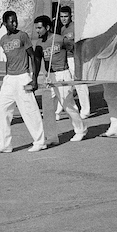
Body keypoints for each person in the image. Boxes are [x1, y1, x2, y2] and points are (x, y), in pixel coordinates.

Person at [0, 10, 47, 153]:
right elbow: (9, 60)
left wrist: (33, 79)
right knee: (1, 111)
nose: (15, 23)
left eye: (16, 20)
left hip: (23, 77)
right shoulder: (3, 40)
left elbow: (33, 57)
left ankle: (40, 141)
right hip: (9, 79)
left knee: (29, 111)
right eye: (11, 21)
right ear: (5, 23)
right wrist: (6, 77)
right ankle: (5, 144)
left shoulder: (22, 36)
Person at [34, 14, 86, 145]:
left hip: (62, 74)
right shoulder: (39, 44)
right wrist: (35, 78)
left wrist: (78, 71)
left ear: (47, 27)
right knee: (48, 108)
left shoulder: (60, 39)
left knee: (67, 104)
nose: (37, 30)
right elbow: (37, 61)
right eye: (36, 28)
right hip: (49, 77)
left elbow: (76, 49)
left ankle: (80, 130)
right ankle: (52, 137)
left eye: (39, 28)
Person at [58, 5, 91, 118]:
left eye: (66, 16)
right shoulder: (62, 29)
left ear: (70, 16)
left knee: (80, 84)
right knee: (65, 85)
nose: (63, 19)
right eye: (61, 17)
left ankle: (85, 110)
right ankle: (63, 109)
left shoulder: (76, 27)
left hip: (76, 58)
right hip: (66, 58)